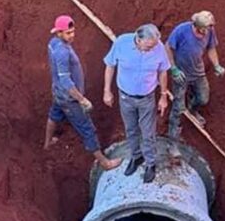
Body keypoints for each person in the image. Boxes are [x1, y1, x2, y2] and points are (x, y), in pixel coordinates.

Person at [45, 15, 121, 171]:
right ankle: (105, 163)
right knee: (86, 127)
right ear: (59, 32)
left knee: (54, 114)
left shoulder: (53, 43)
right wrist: (82, 100)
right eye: (68, 33)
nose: (72, 35)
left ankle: (47, 143)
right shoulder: (62, 52)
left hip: (57, 91)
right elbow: (66, 81)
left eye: (73, 31)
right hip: (69, 98)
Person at [103, 23, 170, 184]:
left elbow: (163, 71)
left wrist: (163, 96)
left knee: (148, 133)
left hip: (147, 98)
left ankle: (150, 163)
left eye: (153, 46)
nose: (151, 49)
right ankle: (136, 156)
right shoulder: (121, 43)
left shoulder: (158, 47)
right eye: (148, 46)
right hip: (125, 97)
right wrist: (107, 90)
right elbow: (110, 65)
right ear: (138, 39)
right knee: (131, 129)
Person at [166, 10, 225, 143]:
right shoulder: (181, 30)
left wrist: (216, 65)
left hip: (198, 72)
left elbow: (211, 48)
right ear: (197, 26)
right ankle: (173, 137)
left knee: (203, 98)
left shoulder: (209, 31)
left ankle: (192, 109)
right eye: (205, 28)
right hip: (181, 74)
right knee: (178, 108)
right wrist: (174, 69)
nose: (208, 31)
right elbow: (168, 47)